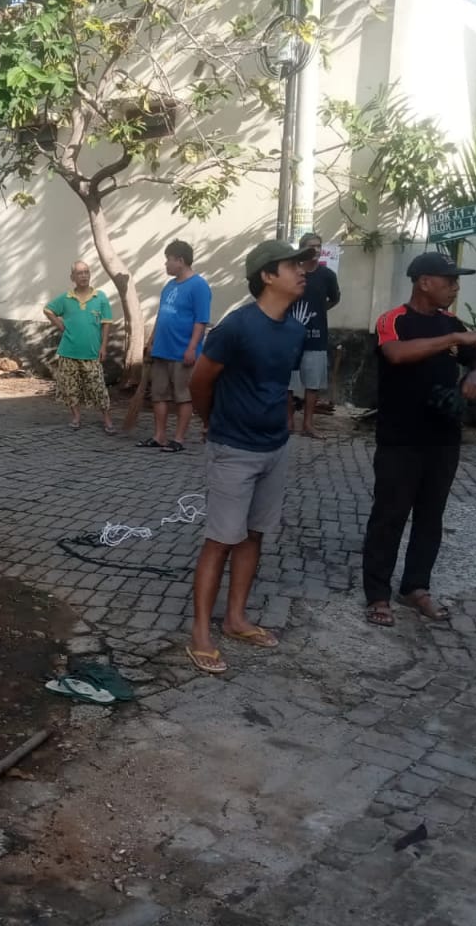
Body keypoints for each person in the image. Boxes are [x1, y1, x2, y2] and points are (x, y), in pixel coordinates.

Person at [186, 240, 312, 674]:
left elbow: (280, 387)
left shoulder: (294, 330)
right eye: (292, 265)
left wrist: (283, 426)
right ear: (267, 276)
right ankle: (201, 632)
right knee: (220, 540)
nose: (302, 272)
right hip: (233, 448)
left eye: (303, 265)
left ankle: (236, 618)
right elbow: (200, 382)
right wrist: (212, 424)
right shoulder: (236, 327)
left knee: (254, 535)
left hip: (274, 448)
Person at [362, 252, 476, 628]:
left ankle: (416, 587)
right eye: (449, 280)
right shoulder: (393, 321)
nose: (455, 287)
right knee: (389, 516)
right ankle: (377, 594)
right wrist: (452, 338)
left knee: (430, 516)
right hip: (400, 438)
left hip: (444, 436)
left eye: (456, 281)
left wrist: (475, 378)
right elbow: (396, 354)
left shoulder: (452, 321)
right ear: (424, 282)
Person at [138, 240, 211, 452]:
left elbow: (201, 320)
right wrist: (151, 341)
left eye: (168, 260)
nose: (165, 265)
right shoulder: (169, 286)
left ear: (180, 260)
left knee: (183, 396)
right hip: (162, 348)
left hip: (182, 351)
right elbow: (162, 315)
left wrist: (192, 348)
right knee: (159, 394)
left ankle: (178, 439)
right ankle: (159, 435)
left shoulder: (199, 286)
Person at [43, 261, 116, 433]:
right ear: (73, 277)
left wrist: (103, 346)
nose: (83, 276)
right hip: (68, 351)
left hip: (91, 352)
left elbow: (106, 324)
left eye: (86, 272)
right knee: (70, 387)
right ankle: (76, 417)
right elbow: (48, 309)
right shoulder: (66, 298)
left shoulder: (100, 297)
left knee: (98, 387)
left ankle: (107, 419)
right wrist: (60, 325)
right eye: (79, 273)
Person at [288, 232, 341, 438]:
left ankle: (308, 424)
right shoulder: (293, 273)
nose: (317, 250)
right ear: (302, 249)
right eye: (312, 246)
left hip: (316, 336)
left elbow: (335, 298)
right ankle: (288, 420)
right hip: (291, 338)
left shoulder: (327, 276)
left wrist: (319, 310)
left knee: (313, 383)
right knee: (288, 384)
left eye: (319, 246)